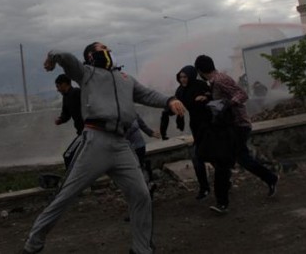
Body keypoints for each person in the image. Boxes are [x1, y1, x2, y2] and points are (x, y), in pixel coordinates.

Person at [21, 41, 185, 254]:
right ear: (90, 55)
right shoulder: (86, 73)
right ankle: (33, 245)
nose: (107, 51)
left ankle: (141, 248)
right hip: (95, 141)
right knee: (66, 195)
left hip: (121, 143)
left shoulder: (125, 79)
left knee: (141, 194)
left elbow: (147, 95)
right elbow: (67, 58)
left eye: (108, 48)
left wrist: (170, 100)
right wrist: (53, 56)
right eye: (101, 49)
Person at [194, 55, 278, 214]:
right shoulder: (214, 82)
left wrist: (228, 104)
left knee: (223, 163)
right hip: (231, 127)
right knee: (241, 159)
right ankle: (270, 178)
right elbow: (223, 96)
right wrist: (209, 98)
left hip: (238, 126)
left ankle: (222, 203)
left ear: (199, 70)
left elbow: (242, 94)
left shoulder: (219, 80)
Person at [160, 65, 212, 200]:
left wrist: (205, 98)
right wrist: (167, 113)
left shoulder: (201, 85)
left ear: (191, 76)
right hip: (196, 125)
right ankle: (205, 188)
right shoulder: (181, 91)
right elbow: (176, 106)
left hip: (209, 125)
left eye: (185, 77)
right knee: (198, 158)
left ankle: (218, 183)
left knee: (203, 156)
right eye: (181, 77)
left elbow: (212, 96)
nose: (182, 79)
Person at [54, 74, 84, 169]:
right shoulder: (66, 97)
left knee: (68, 156)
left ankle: (71, 181)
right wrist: (60, 119)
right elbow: (66, 114)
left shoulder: (77, 92)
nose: (57, 89)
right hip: (81, 133)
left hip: (87, 133)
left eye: (58, 86)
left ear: (64, 84)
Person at [125, 114, 160, 192]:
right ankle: (142, 186)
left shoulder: (132, 111)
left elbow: (141, 124)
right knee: (135, 168)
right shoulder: (116, 115)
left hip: (139, 145)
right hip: (128, 147)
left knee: (141, 165)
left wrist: (151, 133)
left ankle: (148, 185)